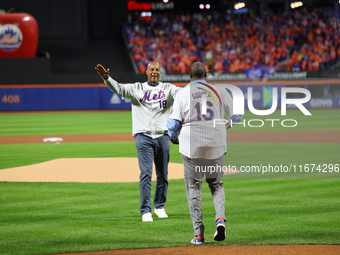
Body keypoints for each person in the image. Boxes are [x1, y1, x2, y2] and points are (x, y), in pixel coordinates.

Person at [95, 62, 181, 222]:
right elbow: (119, 88)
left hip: (162, 137)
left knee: (163, 174)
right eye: (151, 69)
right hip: (143, 137)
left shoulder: (168, 88)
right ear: (146, 72)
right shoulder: (136, 88)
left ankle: (160, 206)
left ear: (160, 72)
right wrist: (106, 78)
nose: (154, 72)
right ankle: (146, 210)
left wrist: (199, 80)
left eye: (157, 70)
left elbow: (183, 94)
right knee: (146, 174)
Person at [167, 62, 242, 244]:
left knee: (194, 188)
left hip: (191, 145)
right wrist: (225, 126)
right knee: (216, 184)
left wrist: (174, 137)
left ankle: (199, 234)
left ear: (190, 76)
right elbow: (238, 115)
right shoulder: (220, 91)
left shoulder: (183, 93)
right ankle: (220, 220)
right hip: (216, 143)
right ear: (205, 75)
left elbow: (173, 124)